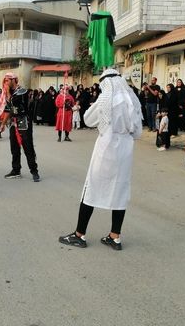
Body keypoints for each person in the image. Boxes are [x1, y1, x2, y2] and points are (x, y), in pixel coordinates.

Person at [58, 69, 142, 250]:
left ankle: (79, 234)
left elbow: (88, 119)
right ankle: (115, 236)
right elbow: (138, 131)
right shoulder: (132, 99)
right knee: (120, 191)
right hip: (125, 150)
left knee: (91, 188)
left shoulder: (107, 98)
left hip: (107, 148)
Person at [0, 72, 40, 182]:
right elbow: (8, 110)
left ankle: (34, 171)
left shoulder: (23, 92)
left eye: (8, 80)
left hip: (23, 122)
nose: (6, 82)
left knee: (28, 147)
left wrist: (7, 94)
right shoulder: (9, 94)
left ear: (13, 80)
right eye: (5, 80)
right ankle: (16, 170)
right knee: (14, 147)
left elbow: (15, 105)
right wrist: (2, 124)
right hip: (13, 122)